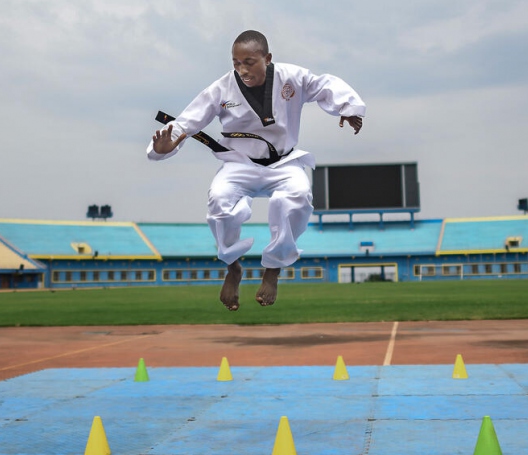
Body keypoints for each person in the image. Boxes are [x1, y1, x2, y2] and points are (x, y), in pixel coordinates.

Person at [147, 30, 366, 311]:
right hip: (239, 164)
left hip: (283, 163)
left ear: (268, 58)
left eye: (249, 62)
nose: (242, 69)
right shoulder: (221, 89)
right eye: (236, 62)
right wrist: (163, 148)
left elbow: (324, 85)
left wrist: (347, 108)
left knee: (298, 196)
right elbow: (186, 122)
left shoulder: (292, 77)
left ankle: (273, 269)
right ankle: (233, 266)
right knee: (219, 199)